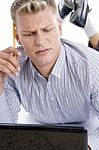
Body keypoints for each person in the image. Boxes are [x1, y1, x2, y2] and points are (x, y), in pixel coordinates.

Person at [0, 0, 99, 149]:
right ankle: (61, 13)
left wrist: (87, 146)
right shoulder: (11, 68)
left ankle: (87, 23)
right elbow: (6, 134)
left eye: (47, 29)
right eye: (29, 34)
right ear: (18, 37)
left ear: (59, 28)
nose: (40, 42)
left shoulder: (92, 66)